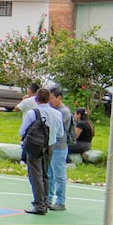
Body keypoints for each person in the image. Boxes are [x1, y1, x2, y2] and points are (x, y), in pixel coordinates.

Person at [20, 87, 62, 216]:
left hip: (34, 146)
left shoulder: (32, 114)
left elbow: (22, 131)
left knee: (35, 175)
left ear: (36, 100)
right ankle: (45, 201)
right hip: (49, 146)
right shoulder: (57, 113)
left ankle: (39, 204)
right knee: (45, 174)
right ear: (49, 99)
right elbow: (60, 133)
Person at [47, 86, 73, 212]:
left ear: (59, 98)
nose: (49, 101)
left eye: (51, 98)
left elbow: (56, 128)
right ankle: (48, 199)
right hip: (51, 146)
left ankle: (60, 201)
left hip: (59, 147)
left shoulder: (64, 112)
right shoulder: (53, 110)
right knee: (50, 174)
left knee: (59, 175)